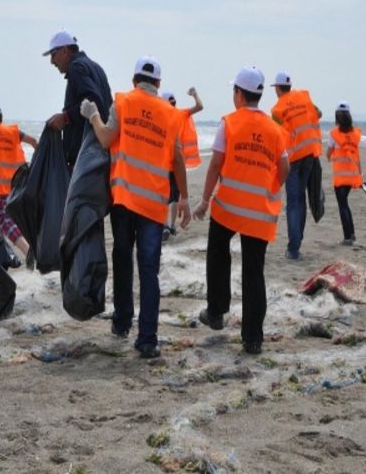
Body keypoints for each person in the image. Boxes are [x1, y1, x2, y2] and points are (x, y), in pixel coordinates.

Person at [81, 56, 191, 358]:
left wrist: (92, 115)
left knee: (122, 257)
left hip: (124, 200)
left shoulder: (124, 103)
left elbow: (104, 139)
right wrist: (184, 198)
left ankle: (121, 321)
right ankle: (147, 339)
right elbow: (178, 159)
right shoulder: (170, 114)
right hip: (154, 204)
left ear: (134, 81)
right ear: (158, 84)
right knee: (149, 270)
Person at [192, 67, 290, 355]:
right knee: (253, 272)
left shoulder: (229, 123)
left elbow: (215, 164)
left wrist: (204, 199)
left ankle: (217, 310)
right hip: (259, 211)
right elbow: (284, 167)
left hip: (228, 209)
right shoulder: (274, 129)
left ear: (238, 93)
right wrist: (271, 187)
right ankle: (252, 339)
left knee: (217, 252)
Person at [270, 71, 323, 260]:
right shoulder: (303, 96)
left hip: (292, 159)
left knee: (294, 202)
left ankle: (294, 248)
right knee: (301, 200)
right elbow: (318, 113)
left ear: (277, 88)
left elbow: (276, 133)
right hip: (309, 153)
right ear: (290, 86)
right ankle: (296, 244)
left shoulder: (277, 110)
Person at [43, 29, 113, 171]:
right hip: (101, 156)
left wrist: (65, 117)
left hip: (86, 159)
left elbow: (94, 102)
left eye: (53, 55)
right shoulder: (95, 67)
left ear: (64, 50)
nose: (52, 61)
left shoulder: (76, 68)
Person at [0, 101, 38, 256]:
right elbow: (34, 142)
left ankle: (27, 250)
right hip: (18, 184)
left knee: (3, 220)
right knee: (2, 221)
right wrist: (38, 165)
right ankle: (2, 258)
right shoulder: (13, 131)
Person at [161, 87, 204, 241]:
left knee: (165, 196)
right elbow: (200, 106)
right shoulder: (179, 114)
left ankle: (166, 225)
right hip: (177, 163)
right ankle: (171, 225)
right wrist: (194, 94)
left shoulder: (160, 116)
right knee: (174, 196)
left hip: (162, 164)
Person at [327, 101, 362, 246]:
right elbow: (357, 156)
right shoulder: (355, 134)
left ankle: (348, 237)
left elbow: (328, 153)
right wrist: (360, 175)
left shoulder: (333, 134)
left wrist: (330, 156)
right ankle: (351, 233)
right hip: (352, 175)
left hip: (340, 177)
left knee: (342, 205)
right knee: (345, 204)